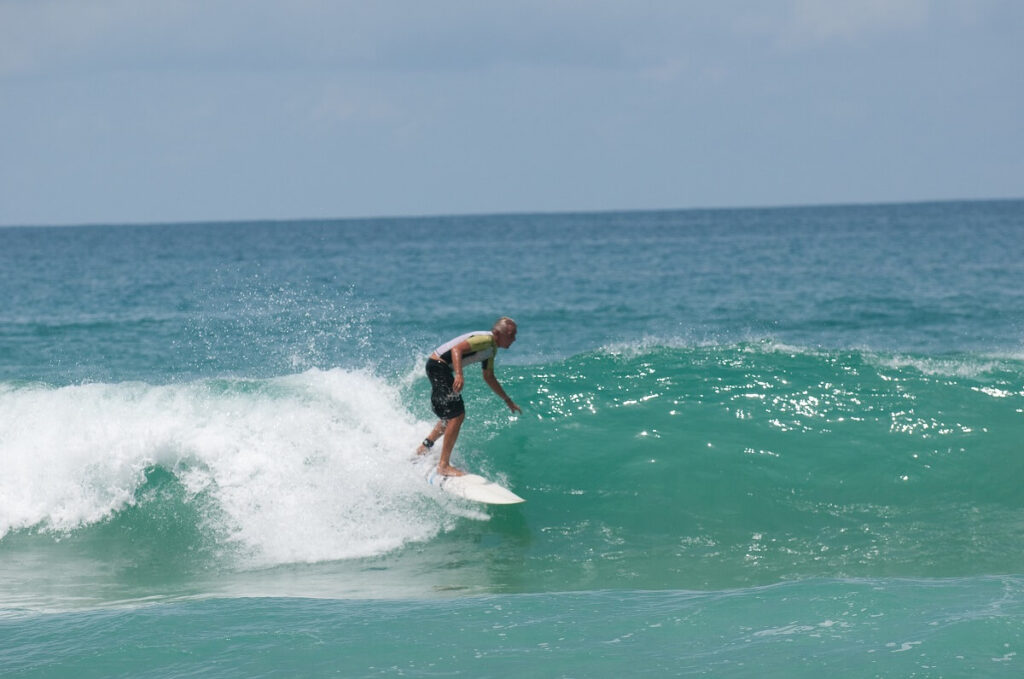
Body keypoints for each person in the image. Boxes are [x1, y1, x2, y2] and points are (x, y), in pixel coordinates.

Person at [416, 317, 521, 476]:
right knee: (456, 415)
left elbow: (488, 376)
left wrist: (507, 400)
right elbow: (456, 349)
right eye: (511, 335)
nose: (514, 339)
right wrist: (459, 374)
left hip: (438, 367)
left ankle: (424, 447)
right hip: (439, 366)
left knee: (451, 415)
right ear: (498, 333)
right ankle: (443, 465)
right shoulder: (486, 340)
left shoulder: (491, 349)